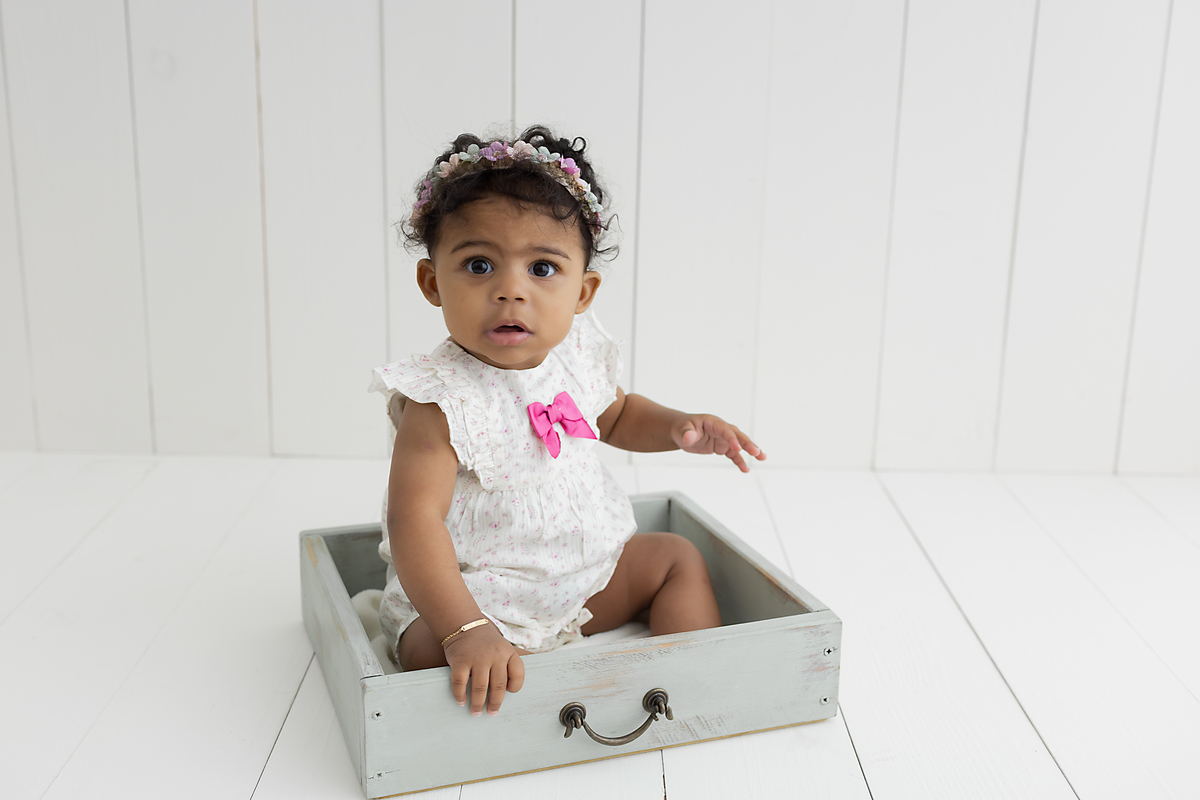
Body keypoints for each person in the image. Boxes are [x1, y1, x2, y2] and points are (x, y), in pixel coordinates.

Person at [369, 126, 766, 718]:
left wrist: (682, 427)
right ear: (433, 282)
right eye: (479, 265)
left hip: (581, 578)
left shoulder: (576, 357)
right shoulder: (438, 400)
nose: (510, 291)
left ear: (583, 292)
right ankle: (476, 654)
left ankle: (687, 679)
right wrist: (464, 628)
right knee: (428, 652)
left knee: (674, 558)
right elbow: (414, 521)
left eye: (542, 269)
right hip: (483, 593)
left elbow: (620, 416)